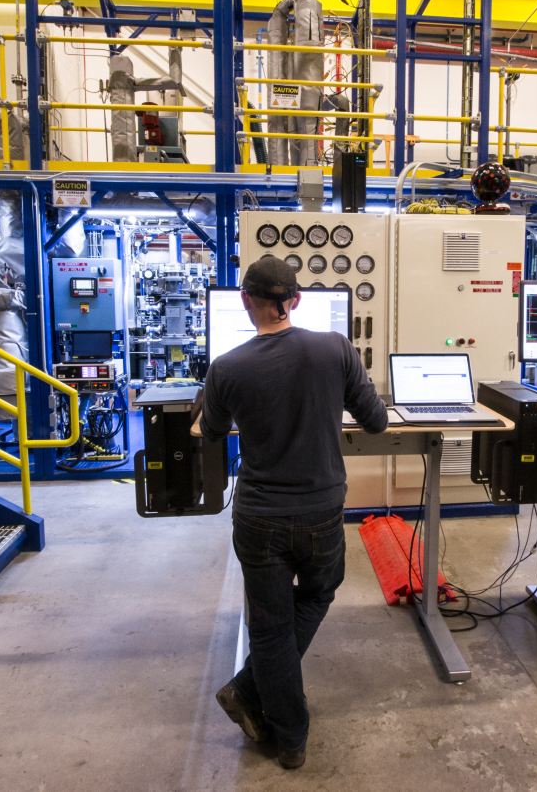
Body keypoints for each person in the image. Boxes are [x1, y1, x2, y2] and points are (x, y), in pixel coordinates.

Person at [202, 256, 387, 770]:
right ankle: (254, 696)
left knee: (269, 626)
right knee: (319, 592)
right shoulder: (335, 347)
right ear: (297, 300)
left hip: (259, 516)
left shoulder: (227, 367)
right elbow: (373, 421)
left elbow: (211, 432)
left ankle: (288, 736)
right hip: (322, 511)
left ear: (245, 302)